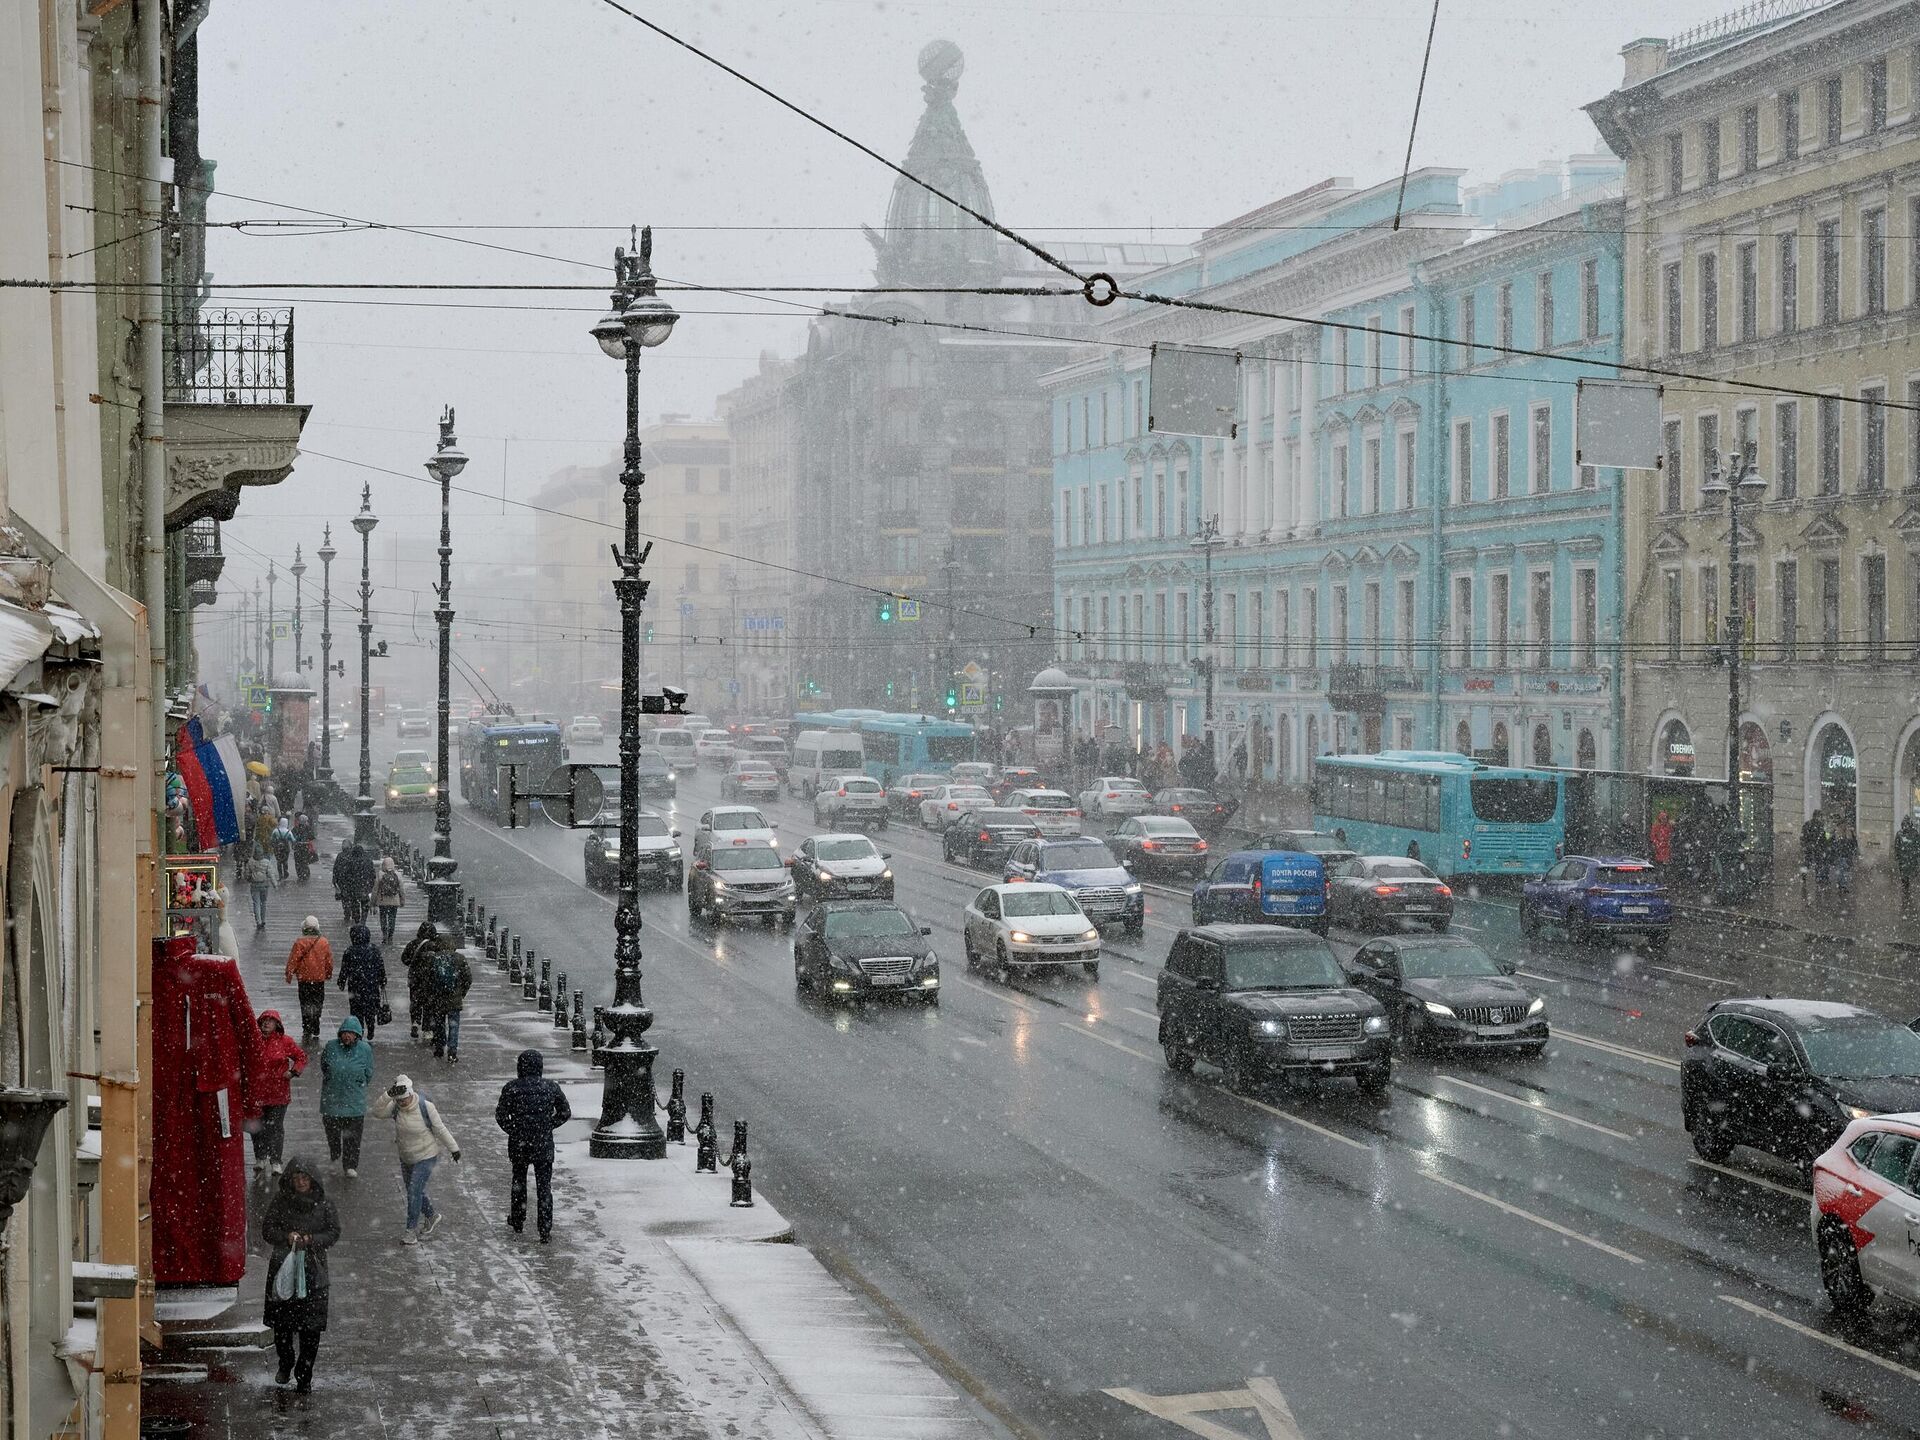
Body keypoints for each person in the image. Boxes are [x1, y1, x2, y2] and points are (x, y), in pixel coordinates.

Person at [259, 1158, 339, 1396]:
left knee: (311, 1328)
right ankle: (286, 1362)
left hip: (314, 1273)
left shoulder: (324, 1203)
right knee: (282, 1325)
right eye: (296, 1179)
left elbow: (333, 1232)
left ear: (312, 1180)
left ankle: (304, 1375)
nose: (301, 1183)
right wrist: (287, 1237)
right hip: (283, 1268)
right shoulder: (280, 1202)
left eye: (304, 1178)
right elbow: (267, 1230)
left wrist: (312, 1240)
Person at [369, 1074, 460, 1244]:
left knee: (413, 1192)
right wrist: (387, 1095)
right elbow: (376, 1112)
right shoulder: (395, 1106)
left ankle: (410, 1231)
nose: (402, 1103)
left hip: (427, 1155)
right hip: (406, 1157)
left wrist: (454, 1149)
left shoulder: (426, 1106)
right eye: (399, 1100)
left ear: (411, 1094)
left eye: (404, 1099)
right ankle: (431, 1215)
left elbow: (440, 1129)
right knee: (415, 1191)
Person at [495, 1049, 572, 1243]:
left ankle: (518, 1219)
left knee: (519, 1181)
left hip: (519, 1143)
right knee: (544, 1186)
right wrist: (547, 1125)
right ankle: (545, 1228)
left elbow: (501, 1116)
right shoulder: (551, 1087)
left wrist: (515, 1130)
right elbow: (565, 1112)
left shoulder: (511, 1088)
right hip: (543, 1143)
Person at [250, 1011, 307, 1177]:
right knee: (257, 1128)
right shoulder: (253, 1041)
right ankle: (260, 1158)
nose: (266, 1024)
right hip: (257, 1094)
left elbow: (301, 1057)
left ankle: (275, 1160)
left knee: (275, 1128)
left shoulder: (285, 1041)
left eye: (270, 1021)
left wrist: (293, 1072)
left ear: (277, 1025)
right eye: (264, 1021)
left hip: (278, 1094)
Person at [318, 1015, 374, 1177]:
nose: (347, 1036)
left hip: (354, 1102)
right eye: (345, 1032)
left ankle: (350, 1165)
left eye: (351, 1033)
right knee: (333, 1134)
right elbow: (325, 1067)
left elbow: (369, 1073)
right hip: (332, 1100)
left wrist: (356, 1083)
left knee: (353, 1137)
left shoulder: (365, 1050)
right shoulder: (331, 1047)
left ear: (357, 1035)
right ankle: (335, 1157)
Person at [284, 917, 334, 1043]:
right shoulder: (323, 942)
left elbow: (293, 960)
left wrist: (289, 973)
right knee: (318, 1001)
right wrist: (328, 973)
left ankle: (306, 1026)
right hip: (318, 978)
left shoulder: (300, 942)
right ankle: (316, 1021)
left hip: (304, 978)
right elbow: (328, 961)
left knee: (305, 1002)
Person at [427, 933, 473, 1063]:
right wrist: (461, 993)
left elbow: (428, 980)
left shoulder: (434, 959)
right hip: (454, 999)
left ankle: (439, 1047)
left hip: (438, 998)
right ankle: (452, 1051)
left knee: (439, 1024)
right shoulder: (459, 958)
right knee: (454, 1026)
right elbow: (468, 978)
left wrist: (432, 994)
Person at [337, 923, 386, 1041]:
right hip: (371, 985)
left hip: (355, 986)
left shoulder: (350, 951)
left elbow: (344, 969)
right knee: (370, 1009)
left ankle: (359, 1031)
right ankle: (371, 1027)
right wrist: (382, 980)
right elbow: (380, 967)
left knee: (356, 1010)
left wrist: (342, 981)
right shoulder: (374, 950)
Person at [401, 921, 439, 1043]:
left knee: (415, 1002)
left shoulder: (413, 944)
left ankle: (415, 1022)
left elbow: (404, 959)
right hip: (430, 980)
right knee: (429, 1004)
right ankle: (427, 1028)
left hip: (415, 979)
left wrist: (413, 963)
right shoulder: (435, 945)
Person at [1801, 810, 1831, 902]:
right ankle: (1816, 878)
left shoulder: (1808, 824)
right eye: (1820, 816)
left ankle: (1805, 876)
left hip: (1812, 847)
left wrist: (1804, 845)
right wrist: (1826, 844)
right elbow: (1826, 837)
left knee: (1809, 862)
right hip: (1817, 848)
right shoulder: (1819, 825)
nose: (1821, 818)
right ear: (1817, 816)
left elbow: (1803, 836)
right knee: (1816, 862)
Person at [373, 857, 405, 944]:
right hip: (394, 901)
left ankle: (384, 935)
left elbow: (375, 890)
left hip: (383, 901)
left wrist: (373, 902)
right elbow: (402, 889)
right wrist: (402, 900)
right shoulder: (398, 875)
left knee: (383, 918)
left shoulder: (380, 874)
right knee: (392, 918)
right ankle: (390, 936)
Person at [245, 844, 275, 932]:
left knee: (256, 904)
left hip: (254, 886)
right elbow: (271, 874)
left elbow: (246, 874)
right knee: (263, 903)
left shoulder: (250, 862)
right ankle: (263, 920)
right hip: (264, 885)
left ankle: (258, 921)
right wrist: (275, 884)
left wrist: (249, 879)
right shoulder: (266, 862)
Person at [1832, 818, 1859, 897]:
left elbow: (1854, 843)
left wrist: (1854, 851)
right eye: (1842, 824)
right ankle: (1843, 885)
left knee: (1845, 870)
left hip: (1848, 854)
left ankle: (1842, 885)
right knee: (1843, 870)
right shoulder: (1836, 833)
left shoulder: (1849, 832)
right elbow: (1833, 843)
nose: (1844, 826)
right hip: (1840, 855)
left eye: (1845, 824)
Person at [1897, 812, 1920, 904]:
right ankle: (1906, 891)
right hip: (1906, 859)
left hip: (1908, 859)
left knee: (1908, 875)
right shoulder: (1901, 834)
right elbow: (1897, 846)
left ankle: (1907, 891)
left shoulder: (1913, 834)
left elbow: (1918, 845)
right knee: (1906, 875)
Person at [291, 811, 315, 884]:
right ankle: (306, 874)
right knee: (304, 862)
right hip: (305, 847)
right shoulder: (308, 828)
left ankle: (300, 875)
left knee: (298, 862)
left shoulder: (295, 828)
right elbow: (312, 837)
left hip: (297, 847)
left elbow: (291, 837)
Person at [270, 815, 295, 882]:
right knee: (285, 861)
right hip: (286, 848)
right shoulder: (288, 831)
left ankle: (280, 875)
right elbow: (293, 840)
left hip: (277, 848)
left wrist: (273, 844)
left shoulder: (276, 830)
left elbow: (272, 839)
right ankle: (285, 872)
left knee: (278, 862)